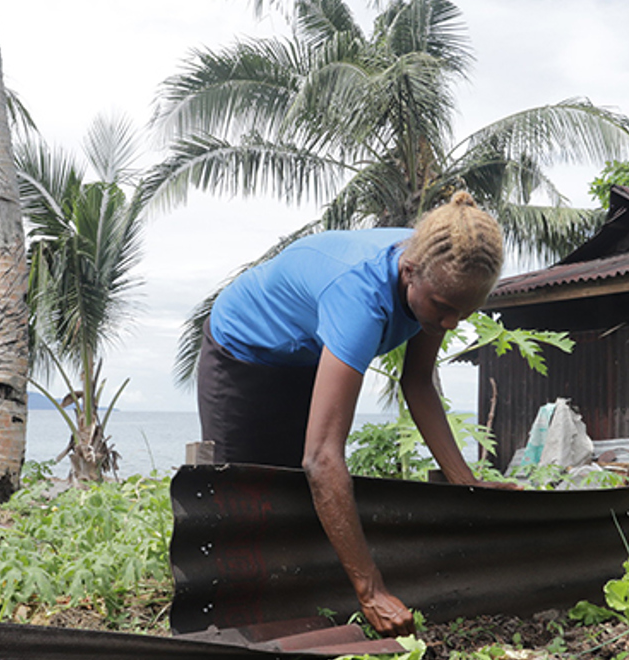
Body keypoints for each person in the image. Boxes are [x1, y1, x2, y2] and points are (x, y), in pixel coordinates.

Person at [197, 191, 509, 636]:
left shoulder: (442, 271)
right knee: (244, 501)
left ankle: (298, 613)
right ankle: (231, 634)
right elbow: (322, 458)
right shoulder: (360, 297)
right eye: (443, 308)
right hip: (243, 351)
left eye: (465, 312)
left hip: (306, 354)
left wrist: (468, 485)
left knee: (295, 500)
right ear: (409, 273)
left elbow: (418, 382)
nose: (450, 325)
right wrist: (372, 591)